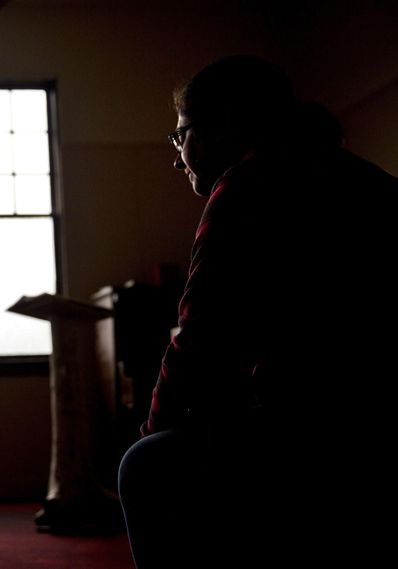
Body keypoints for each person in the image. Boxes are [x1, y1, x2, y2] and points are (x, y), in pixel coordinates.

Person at [117, 56, 397, 568]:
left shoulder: (249, 185)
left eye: (181, 136)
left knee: (146, 465)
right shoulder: (366, 177)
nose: (178, 157)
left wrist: (153, 427)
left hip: (328, 433)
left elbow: (202, 341)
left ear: (224, 123)